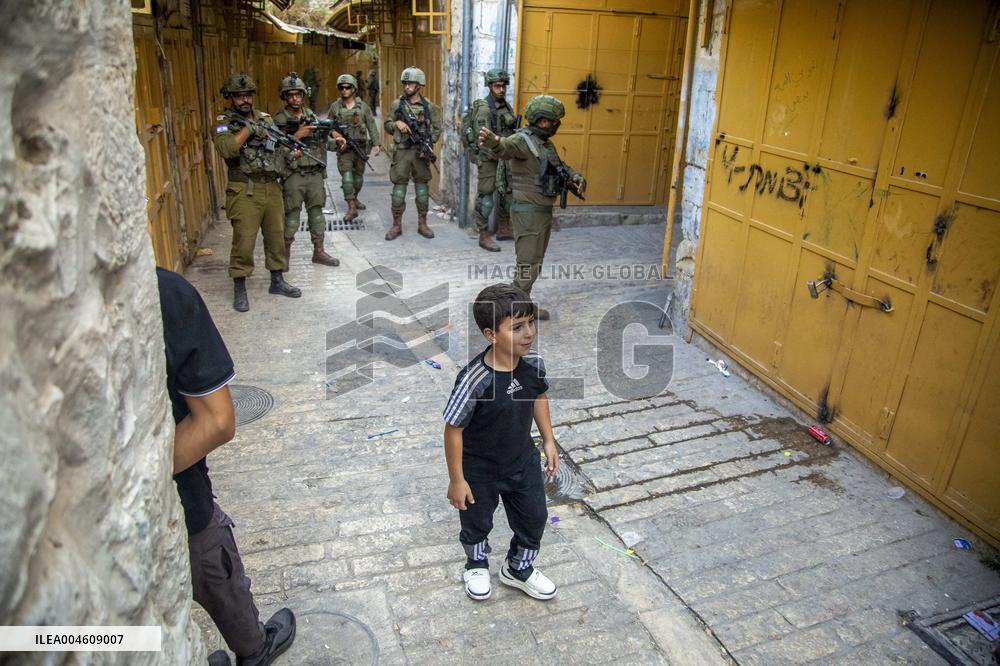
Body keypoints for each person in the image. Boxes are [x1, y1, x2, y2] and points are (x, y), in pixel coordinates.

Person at [156, 267, 296, 665]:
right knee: (213, 562)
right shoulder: (161, 292)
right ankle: (254, 650)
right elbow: (216, 421)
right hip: (176, 501)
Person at [442, 283, 559, 602]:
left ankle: (518, 569)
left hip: (522, 462)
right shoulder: (474, 380)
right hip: (479, 470)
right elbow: (453, 429)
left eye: (531, 323)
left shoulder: (533, 365)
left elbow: (539, 397)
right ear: (490, 334)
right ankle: (476, 562)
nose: (529, 333)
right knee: (477, 521)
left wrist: (549, 439)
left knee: (534, 516)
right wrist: (457, 480)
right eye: (517, 327)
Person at [478, 95, 586, 320]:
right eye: (555, 121)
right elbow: (504, 148)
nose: (557, 125)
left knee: (534, 264)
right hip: (528, 213)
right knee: (526, 266)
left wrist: (575, 176)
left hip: (542, 212)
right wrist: (493, 141)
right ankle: (512, 312)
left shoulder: (544, 143)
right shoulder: (522, 141)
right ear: (545, 121)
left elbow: (560, 166)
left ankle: (522, 304)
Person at [213, 73, 301, 312]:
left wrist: (290, 155)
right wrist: (248, 130)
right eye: (239, 96)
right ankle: (240, 286)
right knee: (244, 240)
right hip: (245, 188)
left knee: (276, 236)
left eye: (248, 95)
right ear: (230, 97)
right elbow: (228, 149)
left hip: (271, 186)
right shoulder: (224, 122)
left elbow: (277, 148)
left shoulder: (265, 118)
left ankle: (277, 280)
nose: (245, 100)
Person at [272, 71, 344, 268]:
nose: (295, 98)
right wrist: (297, 135)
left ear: (303, 95)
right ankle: (284, 256)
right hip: (294, 175)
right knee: (292, 217)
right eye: (290, 94)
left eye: (298, 94)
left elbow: (320, 142)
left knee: (317, 214)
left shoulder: (310, 115)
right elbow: (276, 150)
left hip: (314, 174)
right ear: (284, 96)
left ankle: (319, 252)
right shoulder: (279, 120)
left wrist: (335, 142)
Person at [384, 67, 442, 241]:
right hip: (402, 152)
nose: (407, 86)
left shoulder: (429, 107)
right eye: (406, 83)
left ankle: (422, 224)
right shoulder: (397, 105)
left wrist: (427, 145)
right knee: (398, 192)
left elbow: (437, 129)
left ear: (419, 86)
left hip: (420, 154)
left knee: (422, 191)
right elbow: (387, 123)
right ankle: (396, 225)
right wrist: (397, 125)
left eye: (411, 83)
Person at [467, 69, 517, 252]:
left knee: (507, 193)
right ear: (490, 86)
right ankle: (483, 234)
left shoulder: (505, 105)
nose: (501, 89)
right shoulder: (484, 109)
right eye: (497, 86)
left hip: (504, 156)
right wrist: (500, 148)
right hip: (489, 159)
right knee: (486, 197)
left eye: (503, 86)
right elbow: (483, 142)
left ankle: (504, 228)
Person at [326, 73, 381, 223]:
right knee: (347, 178)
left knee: (358, 179)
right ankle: (351, 206)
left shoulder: (363, 107)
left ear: (354, 89)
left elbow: (371, 125)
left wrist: (376, 144)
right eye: (341, 88)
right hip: (344, 149)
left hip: (361, 147)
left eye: (347, 87)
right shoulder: (335, 107)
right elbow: (328, 126)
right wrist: (335, 136)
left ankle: (354, 198)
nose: (344, 90)